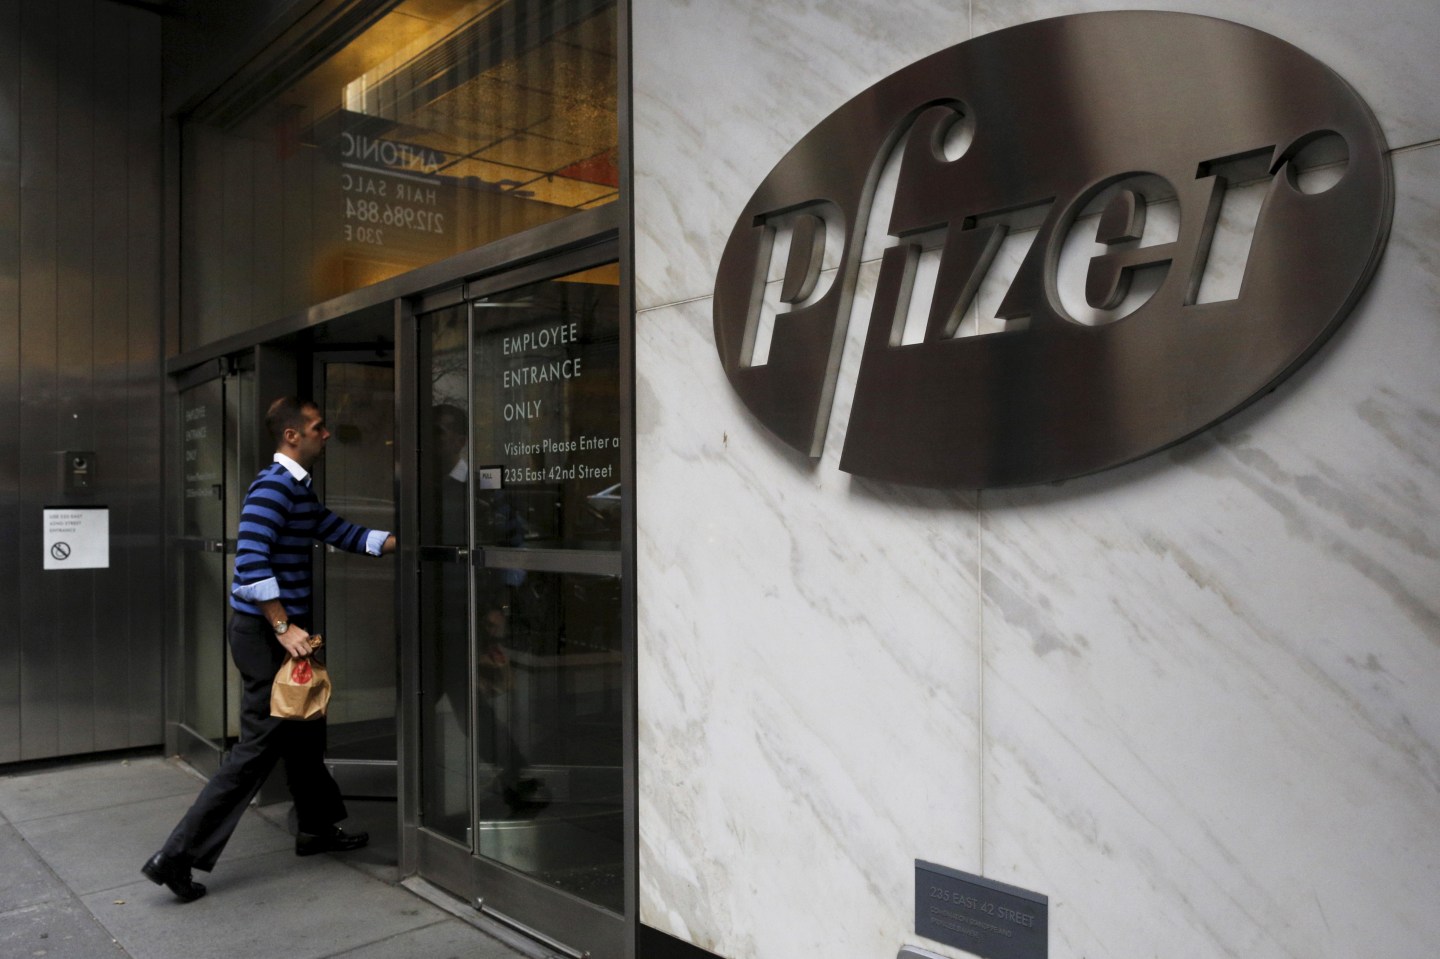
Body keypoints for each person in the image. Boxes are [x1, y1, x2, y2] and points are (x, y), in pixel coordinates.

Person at [143, 396, 397, 902]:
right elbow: (251, 564)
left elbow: (341, 532)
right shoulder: (272, 489)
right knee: (256, 751)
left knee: (303, 734)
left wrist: (403, 541)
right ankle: (175, 857)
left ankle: (316, 828)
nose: (327, 434)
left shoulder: (298, 492)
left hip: (279, 636)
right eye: (318, 427)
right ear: (292, 436)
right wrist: (283, 626)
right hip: (266, 637)